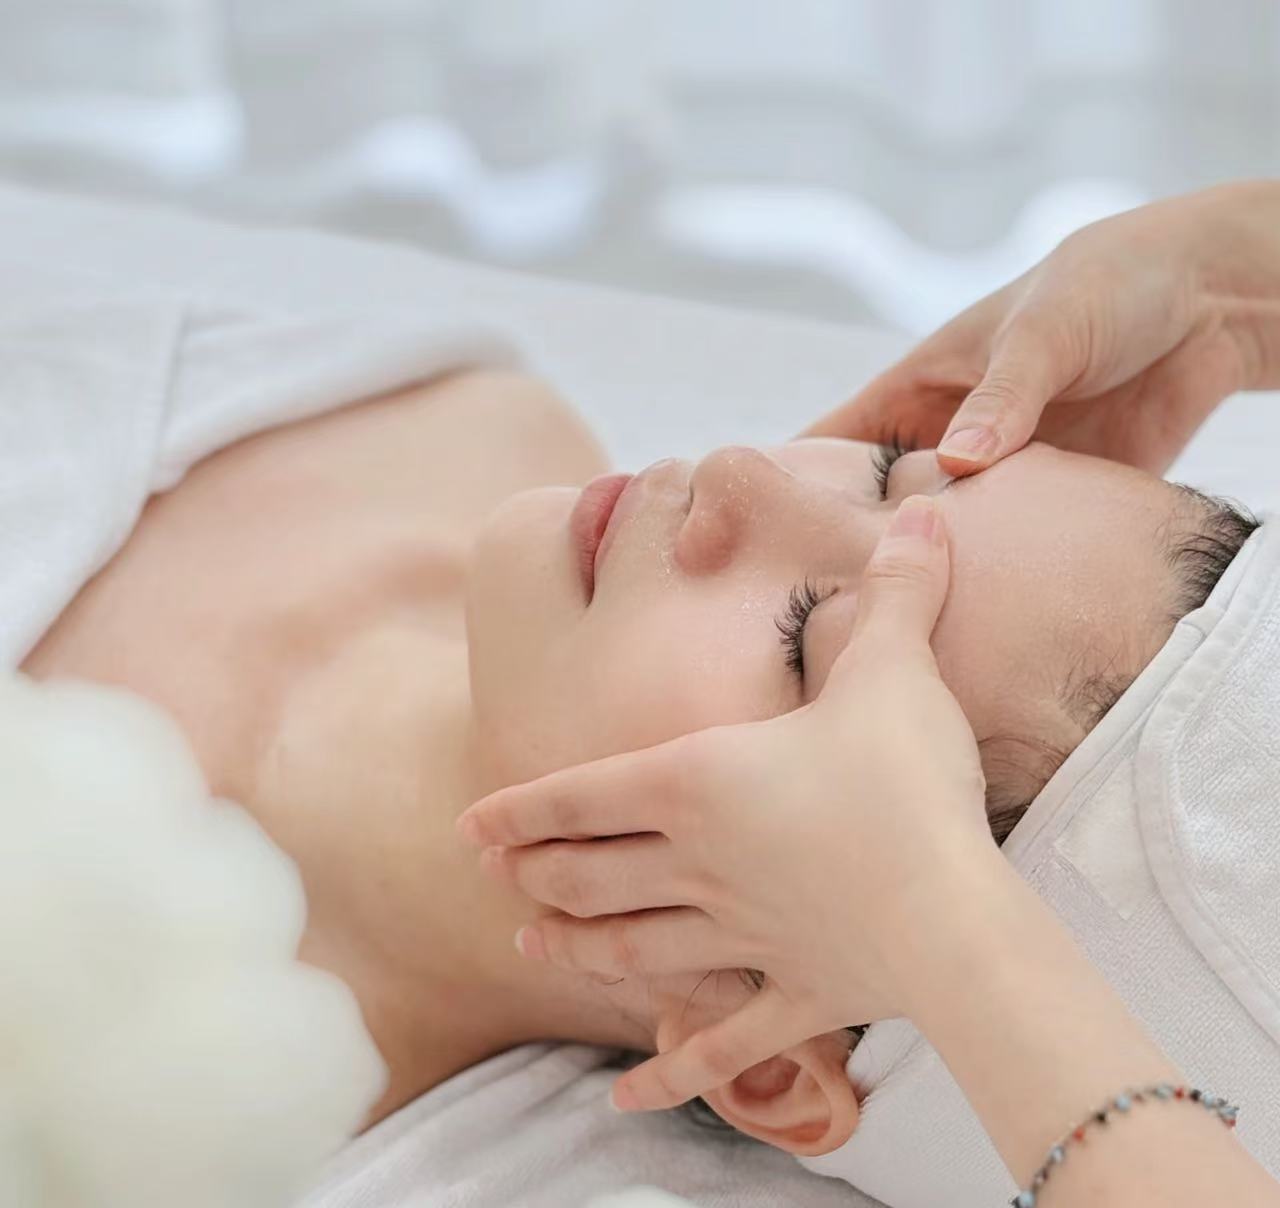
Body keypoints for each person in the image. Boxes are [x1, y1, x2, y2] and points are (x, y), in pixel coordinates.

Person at [458, 179, 1280, 1206]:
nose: (738, 472)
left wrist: (944, 922)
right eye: (894, 476)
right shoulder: (455, 405)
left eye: (804, 642)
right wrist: (1219, 278)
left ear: (757, 1061)